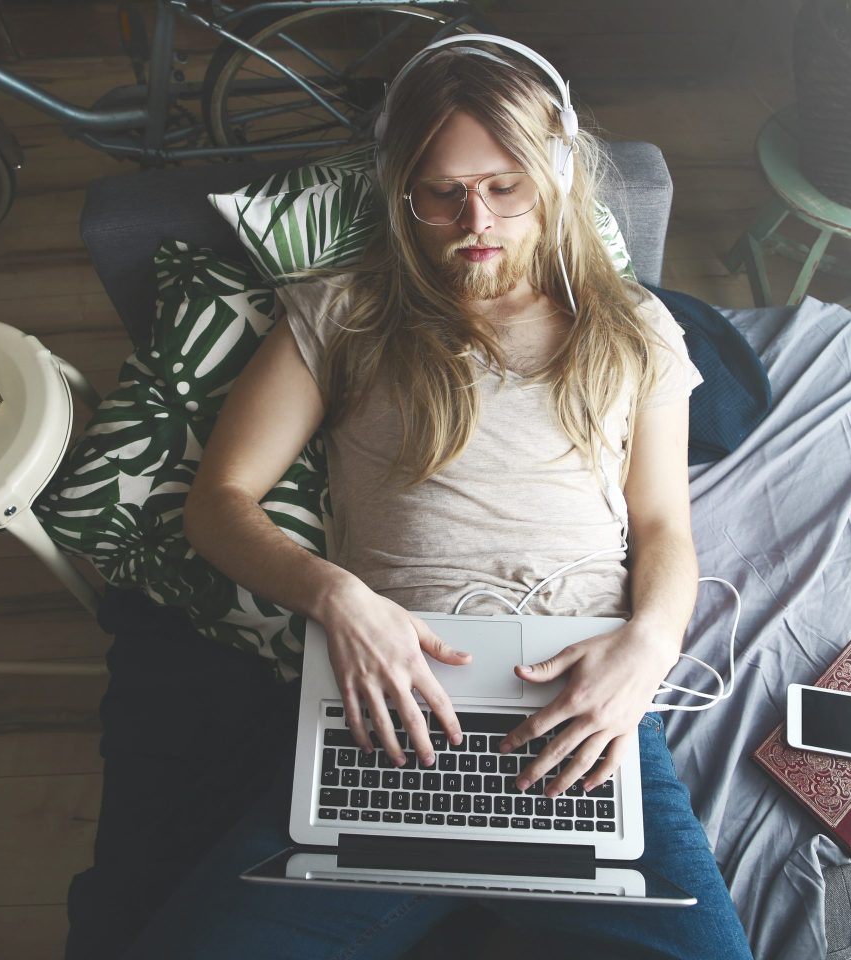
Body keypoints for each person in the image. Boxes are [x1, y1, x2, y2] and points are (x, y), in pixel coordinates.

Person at [121, 37, 754, 960]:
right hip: (394, 700)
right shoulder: (342, 310)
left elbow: (663, 526)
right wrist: (337, 597)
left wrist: (650, 648)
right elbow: (219, 500)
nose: (475, 219)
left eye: (506, 186)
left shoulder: (633, 325)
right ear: (401, 192)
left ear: (557, 174)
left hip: (580, 706)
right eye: (442, 191)